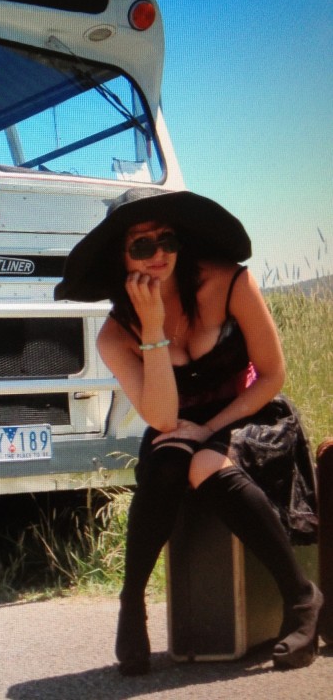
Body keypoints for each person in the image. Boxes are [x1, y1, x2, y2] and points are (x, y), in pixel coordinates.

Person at [54, 187, 323, 675]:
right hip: (176, 421)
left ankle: (303, 598)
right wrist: (153, 327)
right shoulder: (116, 335)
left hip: (250, 413)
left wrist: (211, 428)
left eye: (167, 239)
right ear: (121, 257)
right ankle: (131, 604)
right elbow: (160, 417)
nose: (158, 254)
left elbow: (272, 374)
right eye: (141, 245)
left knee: (200, 460)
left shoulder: (230, 281)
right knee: (165, 462)